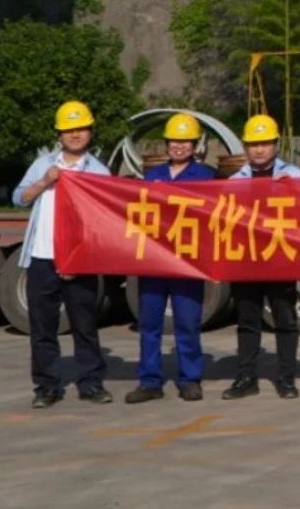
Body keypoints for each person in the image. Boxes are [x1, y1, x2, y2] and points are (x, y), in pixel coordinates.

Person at [13, 100, 113, 409]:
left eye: (81, 128)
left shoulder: (99, 171)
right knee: (42, 327)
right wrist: (45, 182)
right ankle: (46, 387)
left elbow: (104, 220)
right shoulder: (43, 164)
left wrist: (80, 257)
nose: (75, 134)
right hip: (42, 257)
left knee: (85, 326)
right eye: (69, 129)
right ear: (59, 134)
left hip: (80, 260)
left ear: (90, 132)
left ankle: (91, 383)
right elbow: (19, 198)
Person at [128, 112, 215, 404]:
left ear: (195, 145)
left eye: (186, 141)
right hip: (154, 262)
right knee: (150, 325)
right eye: (174, 141)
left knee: (187, 324)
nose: (179, 146)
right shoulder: (152, 176)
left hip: (188, 262)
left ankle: (190, 380)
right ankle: (150, 381)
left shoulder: (205, 176)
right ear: (166, 144)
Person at [223, 114, 300, 400]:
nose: (259, 150)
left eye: (265, 143)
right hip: (247, 260)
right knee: (248, 320)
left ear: (276, 145)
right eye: (253, 144)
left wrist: (291, 190)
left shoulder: (293, 175)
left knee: (285, 320)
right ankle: (246, 377)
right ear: (246, 147)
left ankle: (286, 378)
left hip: (281, 258)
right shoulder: (235, 181)